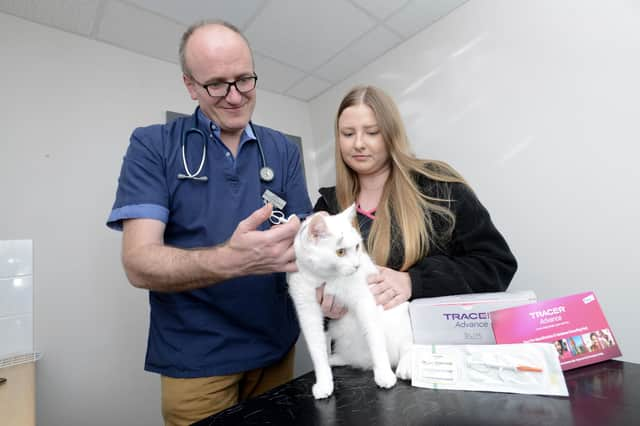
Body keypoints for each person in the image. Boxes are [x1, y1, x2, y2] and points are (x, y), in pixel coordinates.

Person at [106, 20, 311, 426]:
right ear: (190, 86)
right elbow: (138, 262)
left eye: (245, 80)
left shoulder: (282, 149)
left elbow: (302, 236)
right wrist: (231, 261)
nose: (235, 97)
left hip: (277, 348)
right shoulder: (154, 145)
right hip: (197, 360)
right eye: (217, 84)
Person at [314, 85, 517, 315]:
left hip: (433, 345)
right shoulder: (327, 207)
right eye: (348, 134)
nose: (358, 143)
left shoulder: (438, 186)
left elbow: (497, 265)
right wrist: (324, 303)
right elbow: (310, 282)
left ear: (391, 134)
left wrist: (413, 282)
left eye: (372, 132)